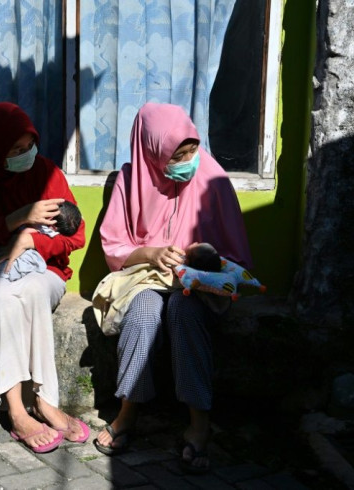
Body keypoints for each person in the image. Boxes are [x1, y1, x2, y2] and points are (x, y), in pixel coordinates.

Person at [94, 102, 253, 473]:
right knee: (144, 311)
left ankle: (199, 424)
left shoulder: (212, 178)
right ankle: (128, 411)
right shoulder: (130, 180)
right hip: (146, 279)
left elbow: (233, 258)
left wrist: (201, 256)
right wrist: (150, 252)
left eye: (192, 150)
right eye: (176, 155)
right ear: (152, 152)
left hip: (196, 288)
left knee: (183, 313)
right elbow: (114, 247)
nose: (189, 161)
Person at [0, 102, 89, 453]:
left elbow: (77, 234)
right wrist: (16, 218)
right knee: (0, 296)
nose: (26, 156)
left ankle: (43, 400)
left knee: (34, 290)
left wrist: (30, 240)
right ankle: (15, 410)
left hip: (45, 270)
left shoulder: (48, 174)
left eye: (30, 147)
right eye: (16, 150)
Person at [0, 201, 83, 281]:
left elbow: (77, 241)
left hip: (32, 258)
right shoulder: (50, 225)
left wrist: (28, 238)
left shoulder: (49, 229)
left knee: (6, 267)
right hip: (7, 251)